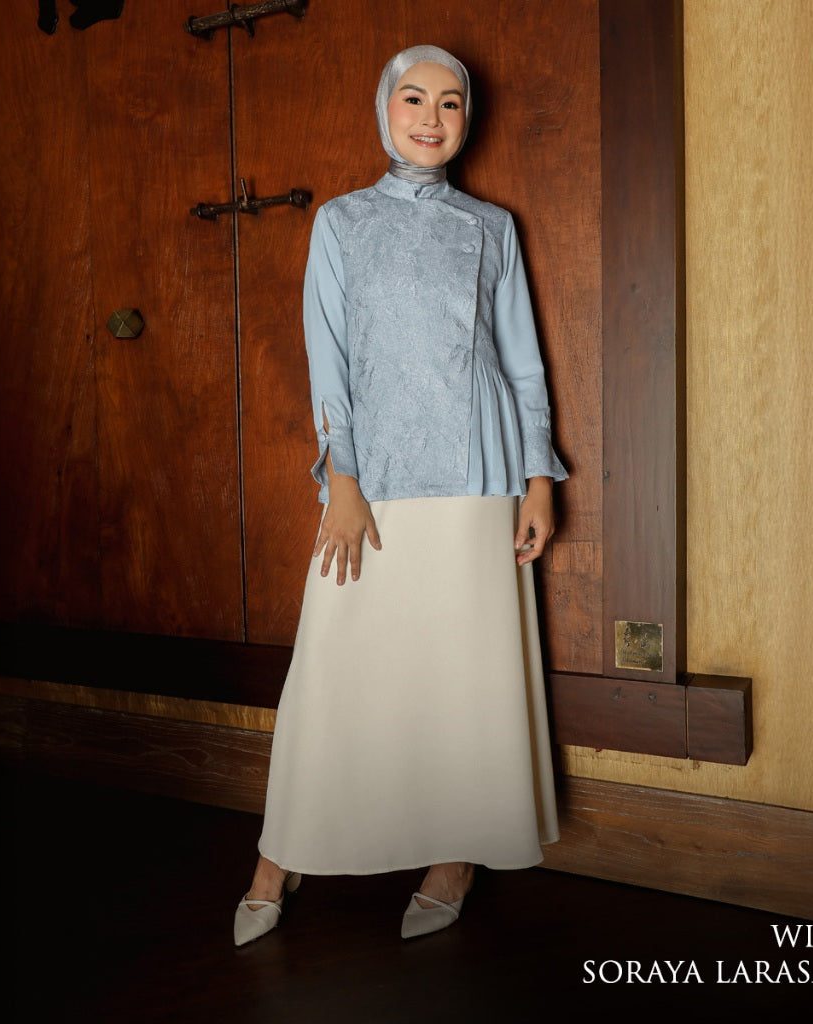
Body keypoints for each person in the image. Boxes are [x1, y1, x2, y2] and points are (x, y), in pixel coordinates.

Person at [234, 44, 568, 947]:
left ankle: (455, 857)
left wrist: (538, 480)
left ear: (467, 120)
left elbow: (522, 363)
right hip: (371, 481)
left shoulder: (491, 227)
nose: (431, 116)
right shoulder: (341, 222)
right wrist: (342, 482)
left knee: (466, 673)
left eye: (450, 102)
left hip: (481, 476)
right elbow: (328, 360)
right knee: (333, 667)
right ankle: (277, 859)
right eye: (413, 98)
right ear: (384, 109)